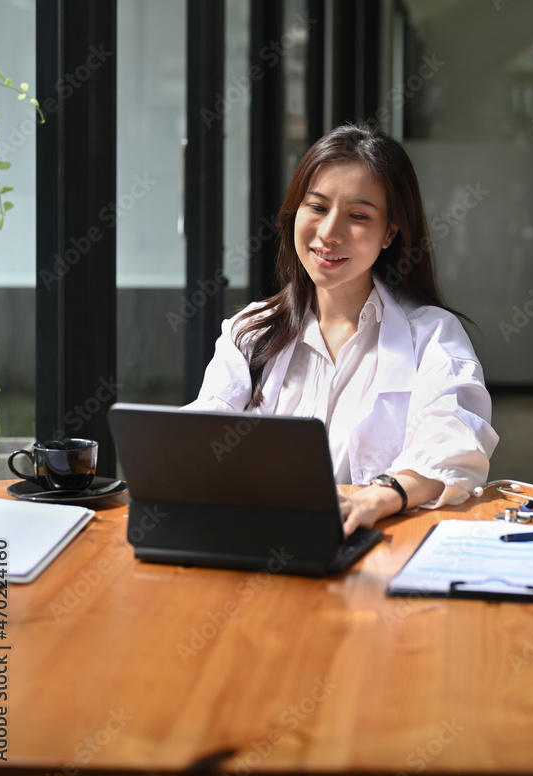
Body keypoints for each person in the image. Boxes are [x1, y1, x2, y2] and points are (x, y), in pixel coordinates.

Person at [185, 122, 498, 535]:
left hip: (378, 544)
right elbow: (200, 438)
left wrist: (378, 497)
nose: (329, 233)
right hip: (261, 541)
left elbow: (455, 439)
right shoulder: (250, 332)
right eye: (316, 207)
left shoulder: (433, 335)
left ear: (389, 233)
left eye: (357, 216)